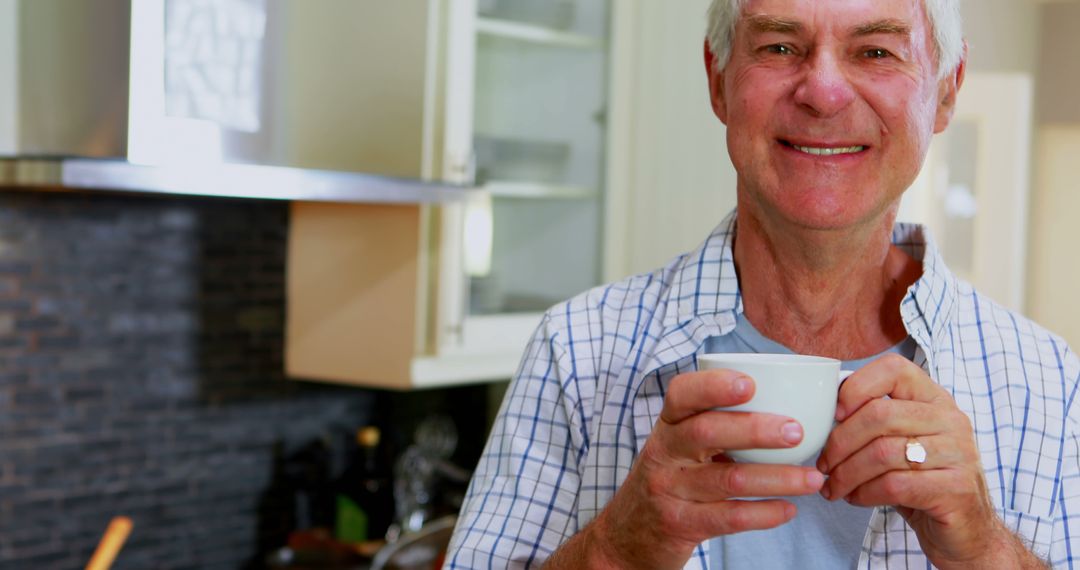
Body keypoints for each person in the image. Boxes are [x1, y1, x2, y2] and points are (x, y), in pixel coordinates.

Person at [446, 0, 1079, 568]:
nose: (824, 92)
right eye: (780, 46)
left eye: (875, 51)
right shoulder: (576, 350)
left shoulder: (1048, 382)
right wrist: (619, 549)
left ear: (946, 91)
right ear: (718, 79)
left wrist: (985, 549)